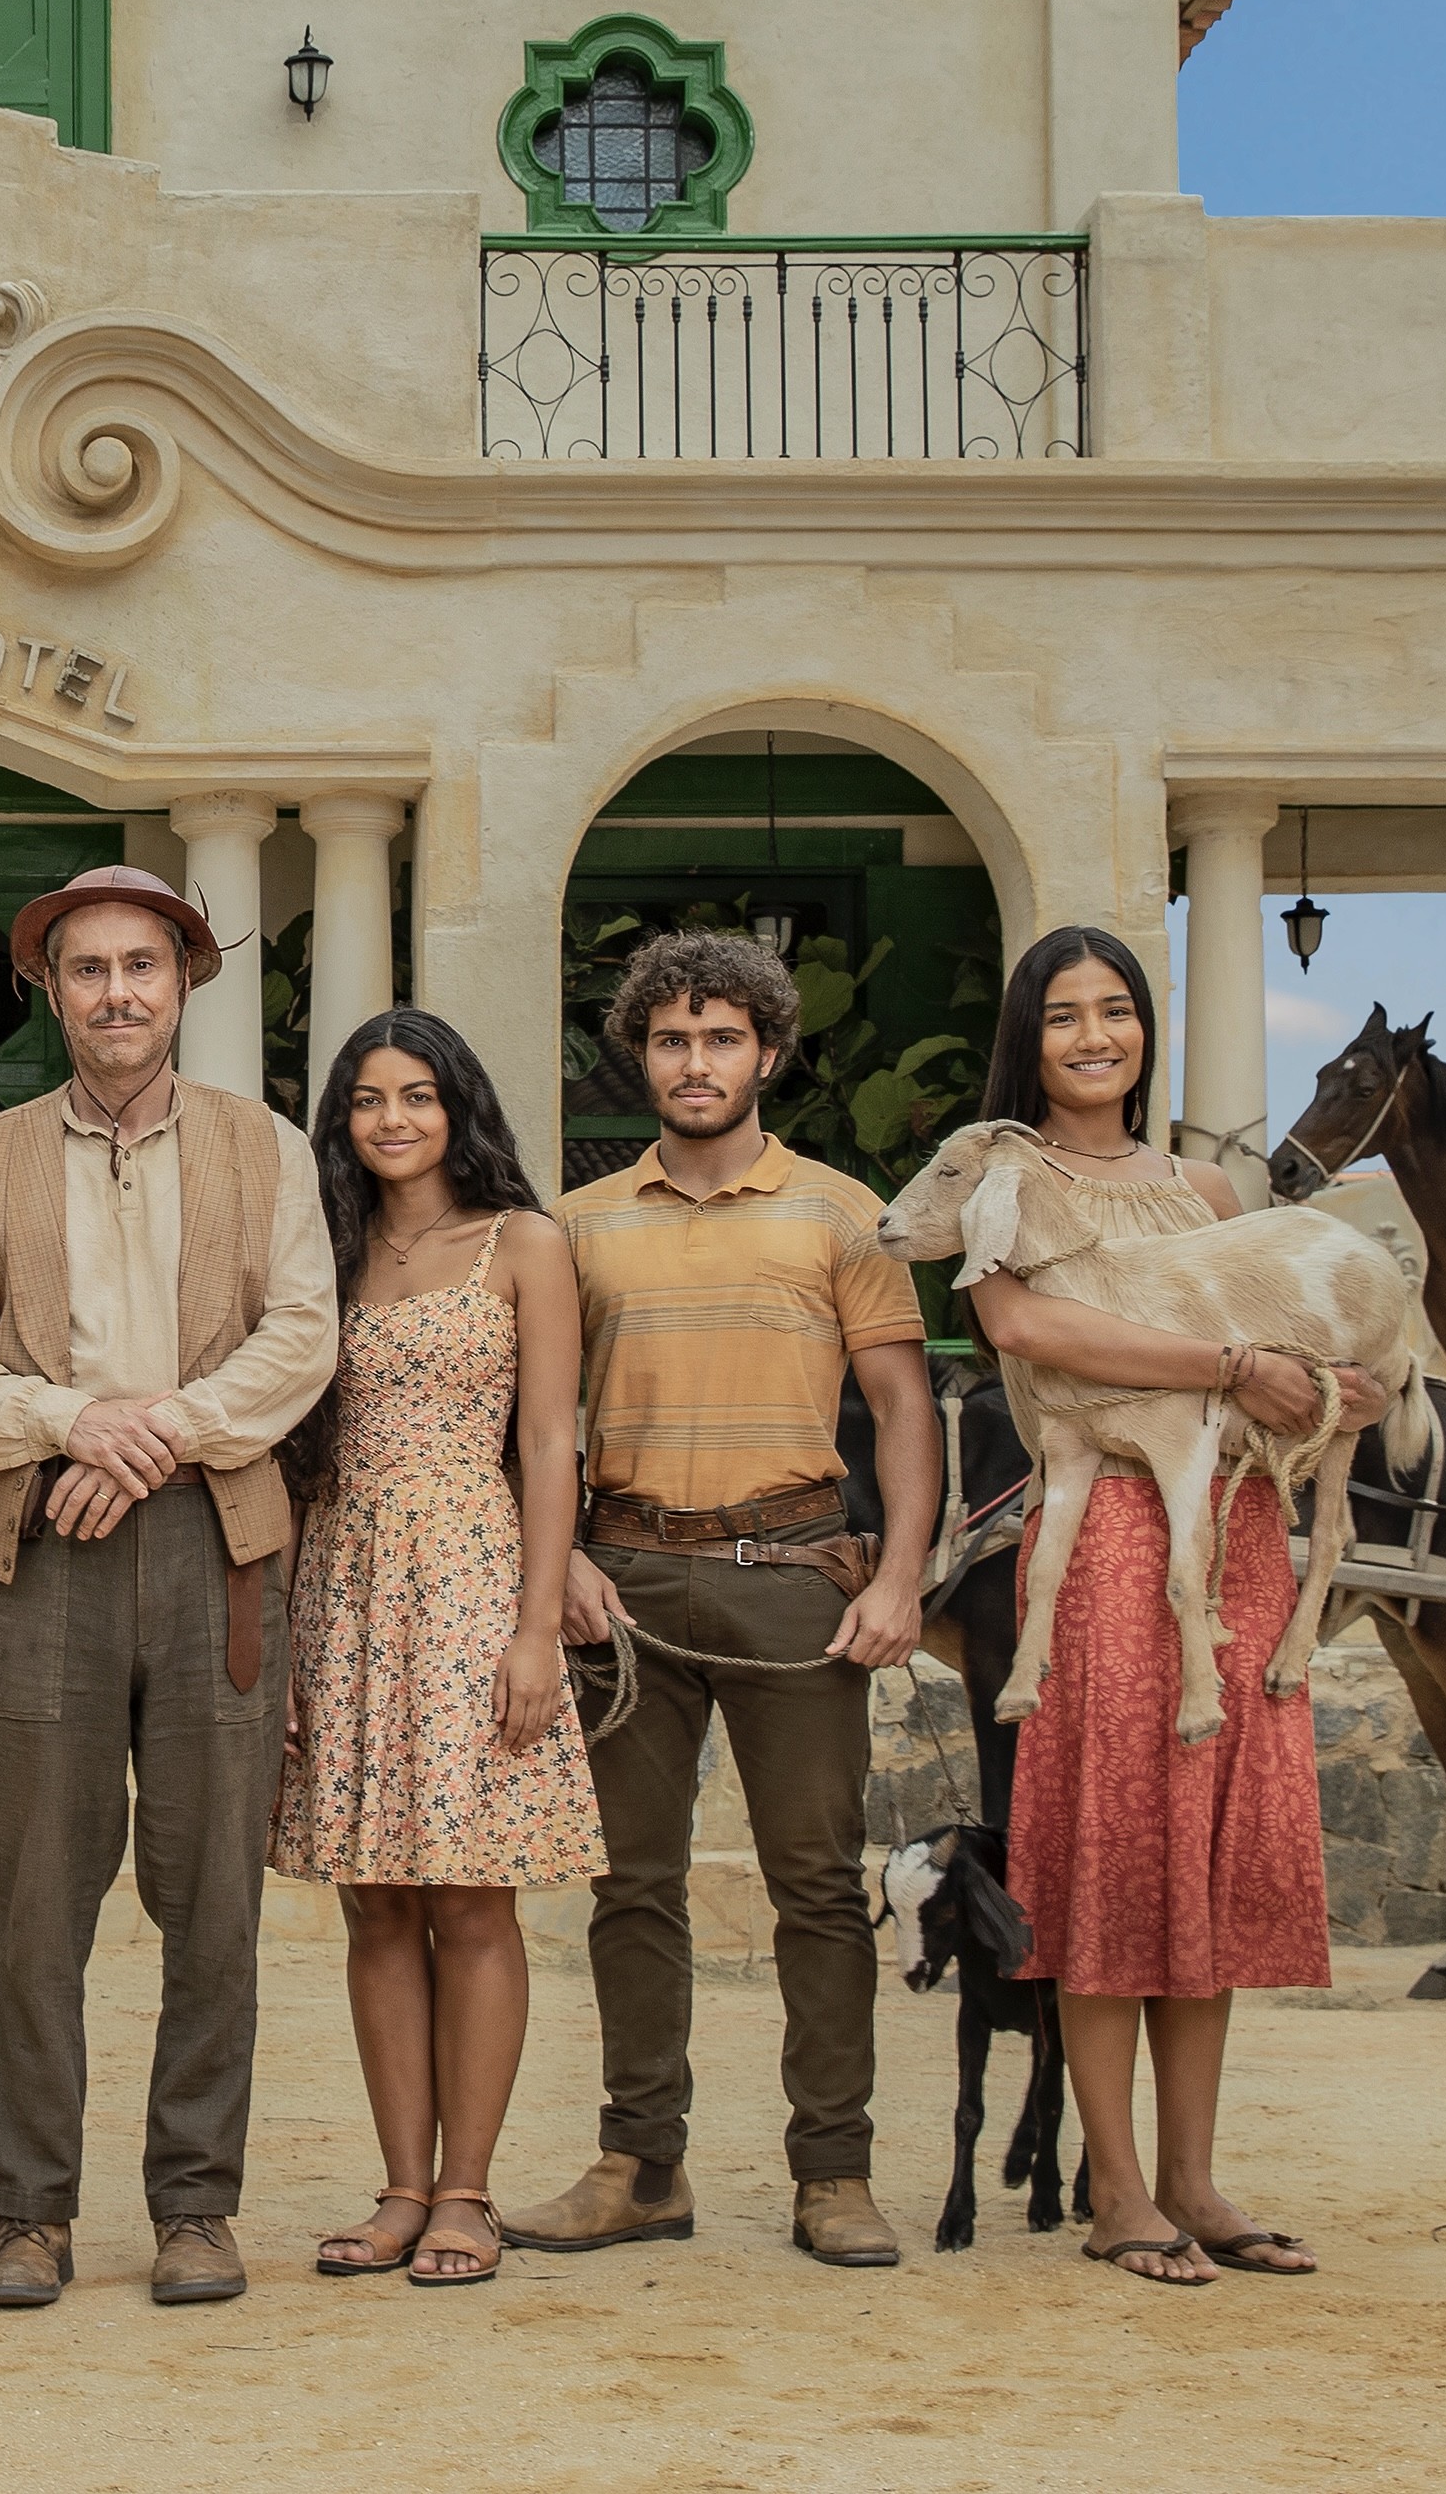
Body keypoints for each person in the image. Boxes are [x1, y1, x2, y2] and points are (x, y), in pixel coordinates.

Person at [893, 925, 1379, 2290]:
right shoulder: (1001, 1173)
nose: (1091, 1034)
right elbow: (1024, 1329)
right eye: (1062, 1015)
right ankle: (1112, 2183)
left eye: (1114, 1009)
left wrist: (1341, 1384)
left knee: (1205, 1849)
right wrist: (1233, 1360)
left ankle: (1192, 2176)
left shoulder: (1204, 1182)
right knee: (1114, 1839)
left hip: (1232, 1535)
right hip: (1100, 1534)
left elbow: (1291, 1330)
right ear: (1027, 1038)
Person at [0, 864, 339, 2312]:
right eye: (85, 968)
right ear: (49, 986)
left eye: (140, 964)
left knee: (211, 1898)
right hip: (43, 1555)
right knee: (37, 1901)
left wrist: (148, 1435)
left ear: (185, 977)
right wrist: (67, 1420)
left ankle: (195, 2205)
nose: (116, 992)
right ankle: (28, 2211)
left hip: (219, 1551)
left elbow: (300, 1340)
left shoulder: (265, 1148)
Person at [522, 928, 940, 2271]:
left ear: (765, 1050)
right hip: (625, 1581)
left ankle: (834, 2170)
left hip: (791, 1578)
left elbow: (897, 1403)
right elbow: (534, 1415)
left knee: (813, 1884)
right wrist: (564, 1560)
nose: (691, 1060)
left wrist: (898, 1572)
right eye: (666, 1038)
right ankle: (639, 2162)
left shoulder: (837, 1210)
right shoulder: (574, 1224)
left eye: (717, 1037)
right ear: (636, 1054)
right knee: (627, 1885)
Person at [276, 1008, 601, 2288]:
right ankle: (400, 2185)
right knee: (374, 1899)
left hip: (472, 1578)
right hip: (341, 1582)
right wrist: (291, 1639)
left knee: (471, 1894)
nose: (392, 1119)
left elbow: (546, 1444)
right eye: (366, 1099)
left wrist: (534, 1629)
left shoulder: (523, 1243)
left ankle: (469, 2189)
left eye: (417, 1094)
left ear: (460, 1104)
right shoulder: (323, 1249)